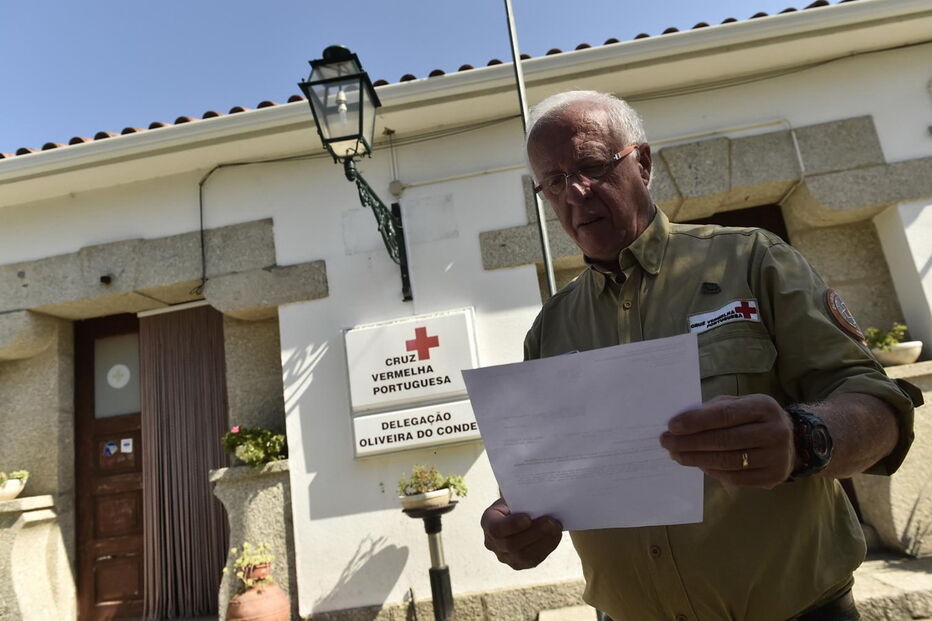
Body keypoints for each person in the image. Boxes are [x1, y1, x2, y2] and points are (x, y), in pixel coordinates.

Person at [480, 91, 917, 621]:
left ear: (641, 163)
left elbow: (877, 403)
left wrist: (805, 438)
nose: (574, 191)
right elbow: (537, 475)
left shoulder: (753, 259)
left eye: (592, 165)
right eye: (553, 181)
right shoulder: (549, 330)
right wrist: (514, 522)